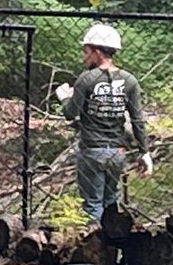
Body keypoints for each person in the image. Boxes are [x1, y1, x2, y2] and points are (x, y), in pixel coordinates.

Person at [55, 21, 151, 225]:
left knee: (92, 206)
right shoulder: (130, 80)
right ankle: (112, 248)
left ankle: (95, 249)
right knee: (110, 203)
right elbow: (137, 119)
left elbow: (70, 114)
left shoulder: (87, 79)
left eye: (86, 51)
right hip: (117, 152)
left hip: (91, 151)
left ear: (97, 52)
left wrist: (64, 97)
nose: (84, 57)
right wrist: (145, 151)